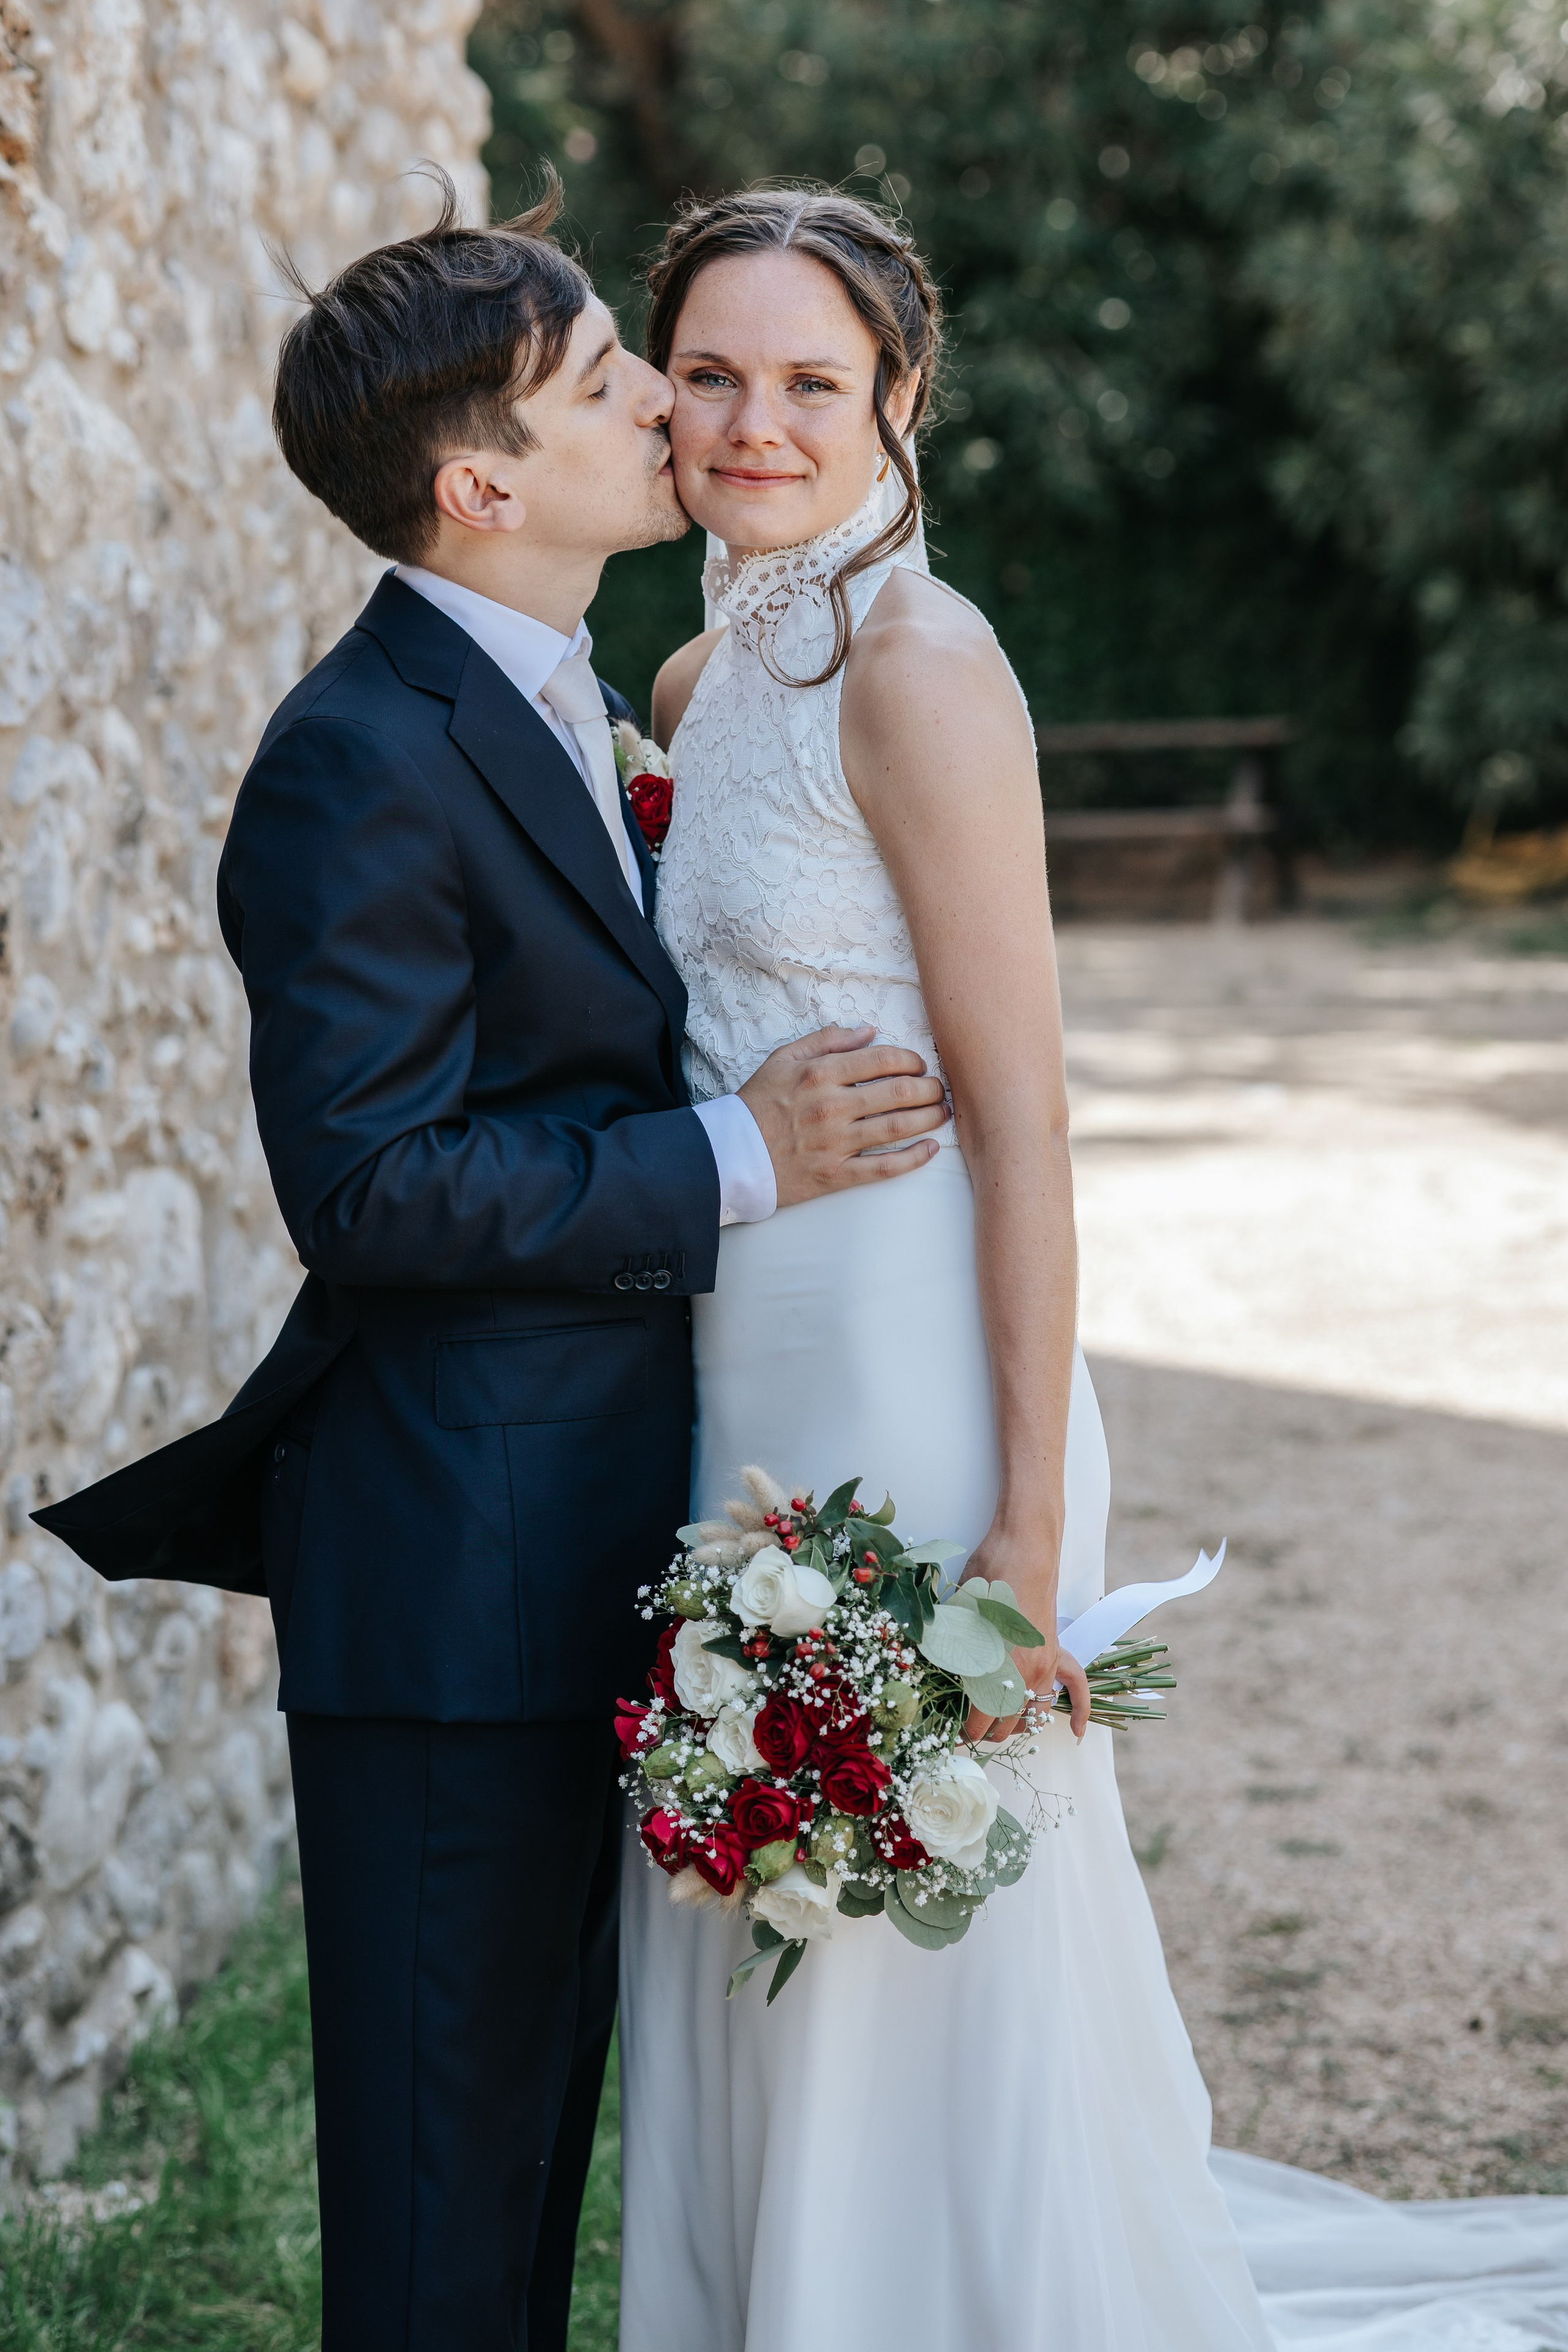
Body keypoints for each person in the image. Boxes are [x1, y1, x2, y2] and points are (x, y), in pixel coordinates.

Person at [32, 173, 951, 2352]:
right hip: (450, 1579)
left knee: (531, 2158)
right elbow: (373, 1190)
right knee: (447, 2201)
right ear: (482, 481)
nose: (668, 405)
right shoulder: (353, 763)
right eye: (610, 380)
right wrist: (739, 1152)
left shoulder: (563, 693)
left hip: (577, 1541)